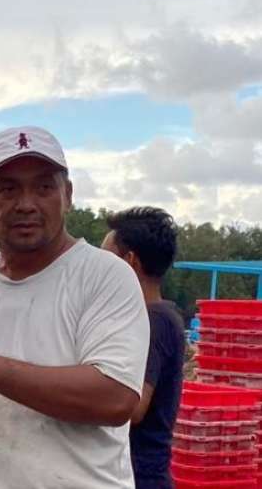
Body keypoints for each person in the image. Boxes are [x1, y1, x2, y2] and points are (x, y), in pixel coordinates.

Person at [0, 126, 150, 488]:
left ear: (67, 196)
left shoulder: (105, 277)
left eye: (44, 187)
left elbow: (116, 398)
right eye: (7, 188)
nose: (26, 203)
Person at [102, 207, 183, 489]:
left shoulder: (153, 321)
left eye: (106, 260)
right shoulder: (157, 316)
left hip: (140, 478)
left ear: (130, 262)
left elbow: (131, 407)